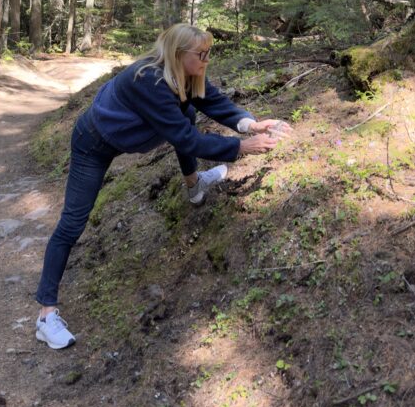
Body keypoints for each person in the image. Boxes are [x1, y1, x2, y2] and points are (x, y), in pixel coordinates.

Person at [34, 23, 292, 349]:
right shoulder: (149, 80)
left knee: (187, 110)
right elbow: (186, 140)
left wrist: (251, 123)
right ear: (178, 54)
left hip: (130, 135)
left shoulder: (186, 75)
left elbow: (212, 101)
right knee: (72, 223)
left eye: (209, 53)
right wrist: (240, 148)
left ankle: (194, 186)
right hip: (93, 143)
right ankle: (46, 314)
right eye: (201, 54)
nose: (206, 60)